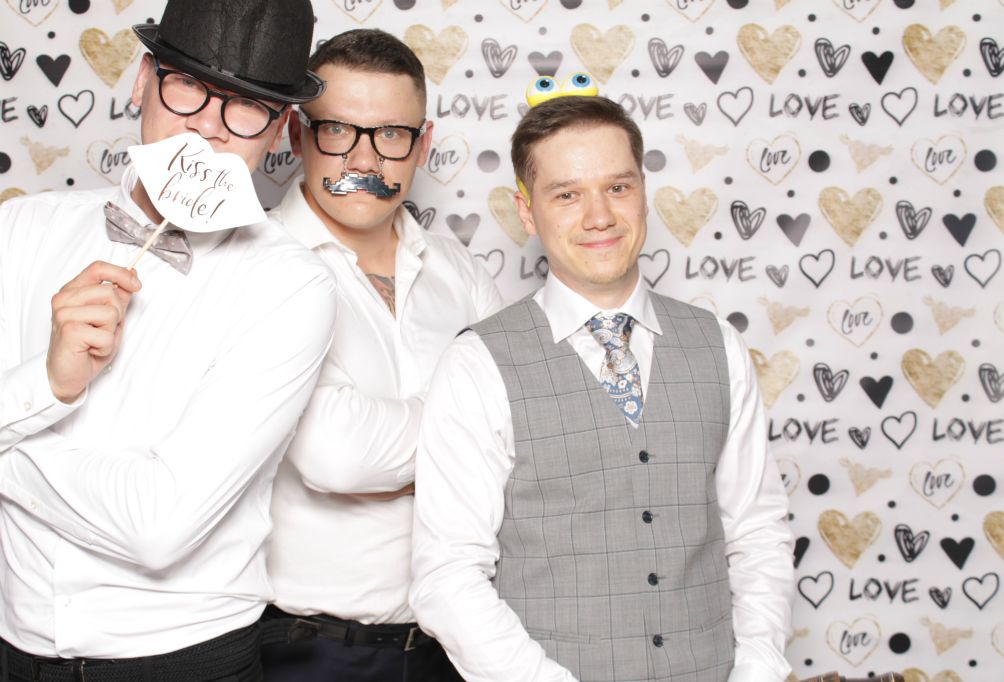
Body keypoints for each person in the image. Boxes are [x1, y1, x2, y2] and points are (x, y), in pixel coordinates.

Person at [0, 0, 335, 679]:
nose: (208, 126)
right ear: (143, 80)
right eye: (188, 86)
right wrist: (50, 384)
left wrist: (10, 438)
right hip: (16, 651)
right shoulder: (20, 231)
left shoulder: (292, 286)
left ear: (278, 131)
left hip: (185, 660)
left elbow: (160, 527)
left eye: (247, 106)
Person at [410, 95, 795, 682]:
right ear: (527, 212)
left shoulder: (718, 344)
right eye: (567, 195)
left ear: (643, 192)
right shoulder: (477, 363)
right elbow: (448, 575)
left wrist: (757, 670)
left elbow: (758, 532)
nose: (599, 217)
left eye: (617, 187)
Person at [260, 29, 503, 682]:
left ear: (422, 143)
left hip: (461, 643)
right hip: (310, 650)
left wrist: (403, 437)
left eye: (391, 134)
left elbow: (523, 436)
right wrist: (466, 433)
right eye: (338, 130)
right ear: (297, 135)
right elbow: (336, 456)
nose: (364, 159)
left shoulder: (462, 273)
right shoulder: (255, 269)